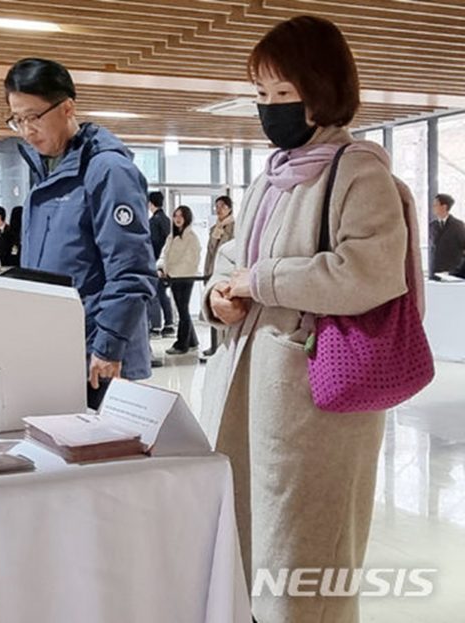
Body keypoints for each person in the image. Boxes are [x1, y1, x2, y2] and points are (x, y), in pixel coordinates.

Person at [201, 16, 418, 622]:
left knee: (305, 559)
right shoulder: (269, 178)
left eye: (283, 95)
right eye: (262, 95)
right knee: (251, 545)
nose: (269, 109)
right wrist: (218, 297)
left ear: (322, 90)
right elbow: (232, 260)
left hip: (316, 401)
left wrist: (260, 280)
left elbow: (369, 272)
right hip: (252, 392)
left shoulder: (359, 171)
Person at [4, 57, 156, 409]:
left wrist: (109, 344)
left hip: (98, 357)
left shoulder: (107, 169)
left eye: (34, 117)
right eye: (18, 119)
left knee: (103, 460)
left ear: (68, 107)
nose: (27, 130)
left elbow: (131, 269)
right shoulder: (46, 172)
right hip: (57, 349)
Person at [158, 205, 202, 355]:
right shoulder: (172, 236)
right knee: (183, 310)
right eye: (175, 215)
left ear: (187, 218)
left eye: (181, 216)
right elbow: (165, 255)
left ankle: (181, 344)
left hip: (184, 277)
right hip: (174, 277)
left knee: (183, 310)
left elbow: (190, 260)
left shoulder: (191, 237)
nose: (177, 219)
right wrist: (162, 269)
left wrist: (172, 272)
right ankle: (192, 341)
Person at [201, 195, 235, 358]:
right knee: (214, 311)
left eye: (222, 206)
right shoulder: (215, 228)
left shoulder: (235, 226)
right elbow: (210, 252)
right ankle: (216, 346)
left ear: (229, 208)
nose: (219, 209)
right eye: (217, 206)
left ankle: (225, 347)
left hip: (228, 274)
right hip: (213, 271)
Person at [146, 191, 173, 338]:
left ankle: (155, 327)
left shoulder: (153, 223)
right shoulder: (167, 220)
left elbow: (152, 245)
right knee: (163, 294)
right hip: (166, 264)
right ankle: (169, 324)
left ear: (151, 204)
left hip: (155, 264)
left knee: (154, 296)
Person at [429, 193, 465, 275]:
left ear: (444, 207)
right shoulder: (432, 226)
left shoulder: (458, 225)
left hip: (452, 272)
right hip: (435, 271)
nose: (433, 207)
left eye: (435, 205)